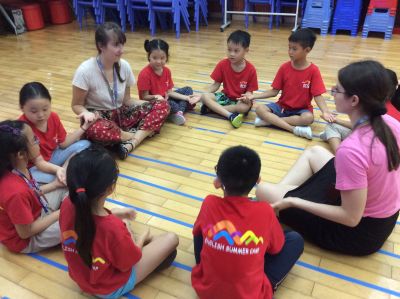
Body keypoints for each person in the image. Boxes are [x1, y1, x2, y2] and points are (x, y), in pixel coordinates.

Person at [256, 60, 400, 256]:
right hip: (384, 217)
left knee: (262, 190)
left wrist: (295, 202)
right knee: (314, 152)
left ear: (354, 100)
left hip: (358, 233)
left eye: (337, 89)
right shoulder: (389, 122)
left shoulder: (350, 150)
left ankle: (282, 202)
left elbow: (351, 218)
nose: (332, 91)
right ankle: (280, 202)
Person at [60, 146, 179, 299]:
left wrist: (117, 214)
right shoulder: (112, 228)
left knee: (124, 227)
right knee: (171, 239)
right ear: (110, 188)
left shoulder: (67, 204)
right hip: (109, 288)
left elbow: (91, 220)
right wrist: (141, 237)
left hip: (81, 278)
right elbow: (130, 261)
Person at [191, 146, 304, 299]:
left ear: (219, 179)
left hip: (206, 291)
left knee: (200, 228)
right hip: (249, 295)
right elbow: (275, 249)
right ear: (257, 180)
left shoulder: (209, 202)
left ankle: (210, 270)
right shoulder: (265, 211)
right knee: (295, 240)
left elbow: (198, 234)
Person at [71, 22, 170, 160]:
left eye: (122, 44)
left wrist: (153, 103)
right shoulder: (85, 71)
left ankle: (131, 141)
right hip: (99, 118)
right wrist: (86, 113)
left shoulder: (124, 66)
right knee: (97, 130)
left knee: (163, 105)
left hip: (121, 114)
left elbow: (127, 100)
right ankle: (137, 135)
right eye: (116, 45)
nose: (121, 49)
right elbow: (76, 105)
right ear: (101, 46)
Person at [250, 28, 334, 140]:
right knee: (260, 109)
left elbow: (317, 95)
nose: (290, 52)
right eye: (289, 48)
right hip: (282, 107)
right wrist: (254, 96)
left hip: (301, 110)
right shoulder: (284, 67)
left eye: (294, 49)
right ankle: (293, 129)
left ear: (307, 50)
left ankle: (269, 122)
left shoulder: (313, 71)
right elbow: (274, 91)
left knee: (309, 118)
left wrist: (326, 112)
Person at [0, 120, 67, 253]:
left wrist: (54, 185)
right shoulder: (15, 192)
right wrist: (60, 213)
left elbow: (31, 192)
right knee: (77, 221)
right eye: (34, 139)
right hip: (26, 240)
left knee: (64, 184)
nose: (38, 141)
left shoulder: (17, 167)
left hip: (37, 211)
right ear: (20, 154)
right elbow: (25, 233)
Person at [19, 82, 91, 183]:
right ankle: (62, 171)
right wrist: (58, 170)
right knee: (57, 179)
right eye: (34, 111)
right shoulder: (23, 128)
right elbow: (39, 163)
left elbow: (63, 143)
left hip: (52, 156)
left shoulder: (53, 117)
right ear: (22, 108)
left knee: (85, 144)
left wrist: (84, 127)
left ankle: (64, 170)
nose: (41, 115)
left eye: (45, 109)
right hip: (35, 167)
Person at [320, 68, 400, 153]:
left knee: (332, 127)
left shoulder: (374, 107)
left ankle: (339, 155)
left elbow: (363, 128)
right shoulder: (394, 108)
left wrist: (336, 120)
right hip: (390, 152)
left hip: (374, 148)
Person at [200, 30, 259, 128]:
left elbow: (249, 92)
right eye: (229, 50)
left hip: (240, 100)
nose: (231, 54)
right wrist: (203, 95)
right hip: (225, 97)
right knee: (205, 96)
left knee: (243, 108)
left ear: (246, 50)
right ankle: (230, 115)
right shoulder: (222, 64)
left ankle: (212, 109)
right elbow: (216, 85)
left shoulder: (251, 69)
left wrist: (247, 98)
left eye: (236, 51)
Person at [137, 39, 201, 126]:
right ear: (149, 57)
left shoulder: (167, 71)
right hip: (154, 103)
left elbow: (169, 92)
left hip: (166, 98)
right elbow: (144, 97)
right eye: (154, 58)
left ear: (167, 57)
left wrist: (186, 98)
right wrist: (156, 96)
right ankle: (179, 110)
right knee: (171, 103)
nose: (159, 61)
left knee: (188, 90)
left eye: (162, 58)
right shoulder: (144, 74)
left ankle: (176, 112)